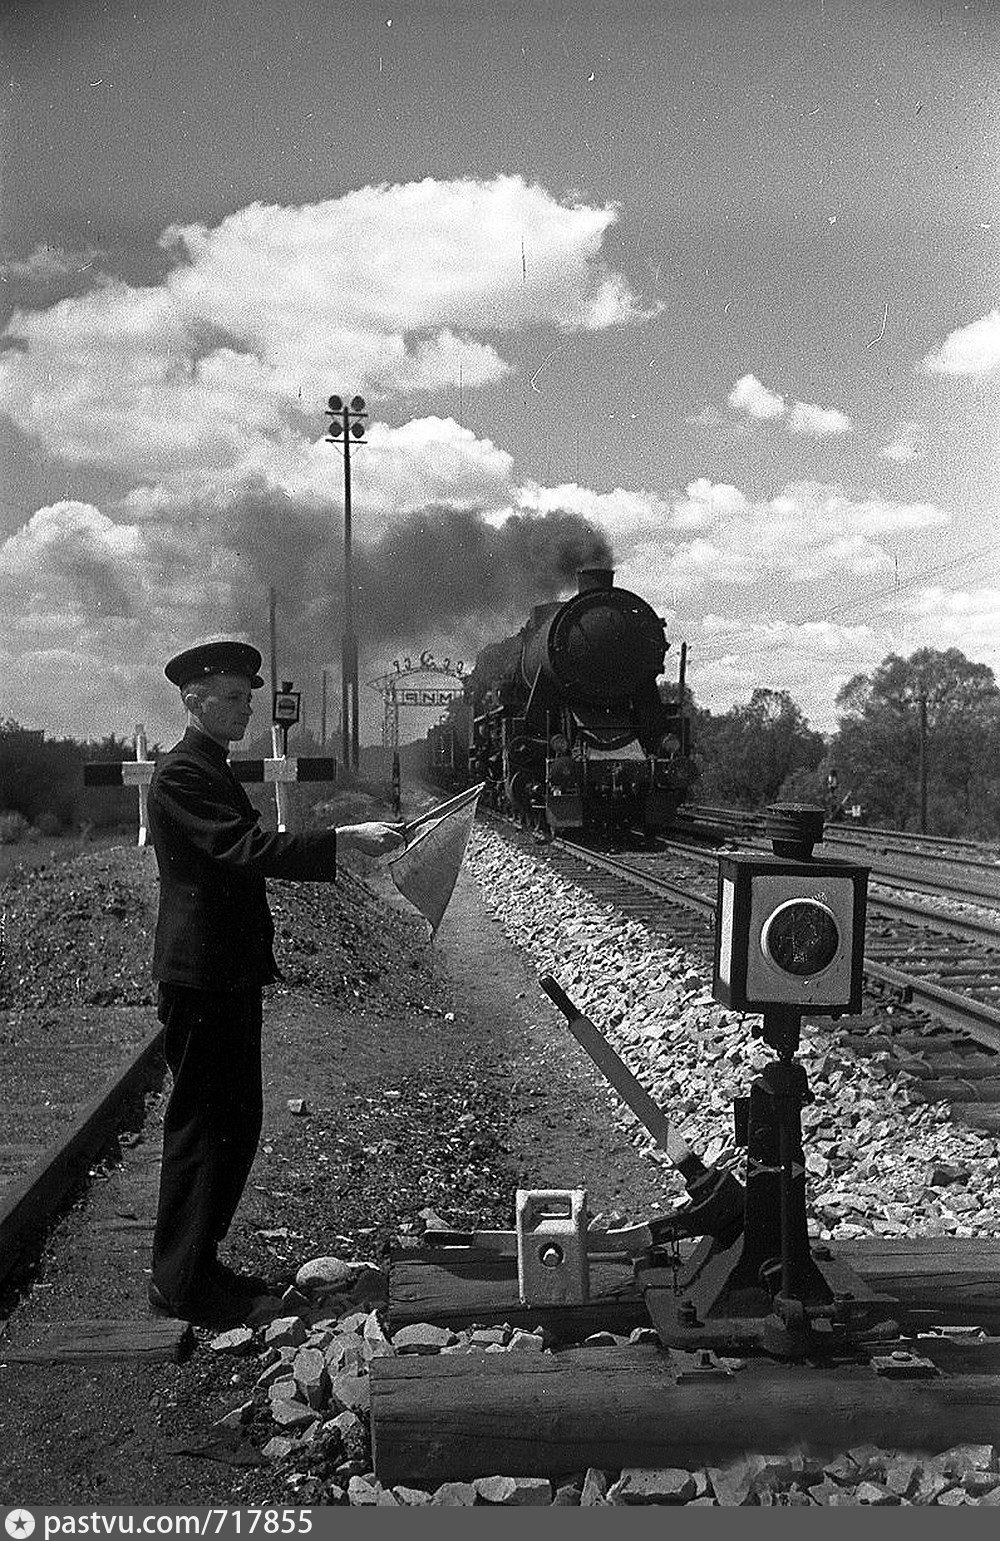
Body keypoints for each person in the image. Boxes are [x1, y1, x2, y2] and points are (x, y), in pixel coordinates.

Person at [145, 639, 404, 1325]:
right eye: (232, 696)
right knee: (205, 1125)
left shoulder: (209, 767)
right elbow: (243, 849)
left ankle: (197, 1264)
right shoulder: (180, 774)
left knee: (233, 1122)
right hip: (202, 980)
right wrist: (344, 838)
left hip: (222, 975)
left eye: (247, 696)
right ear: (195, 701)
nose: (245, 706)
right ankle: (182, 1282)